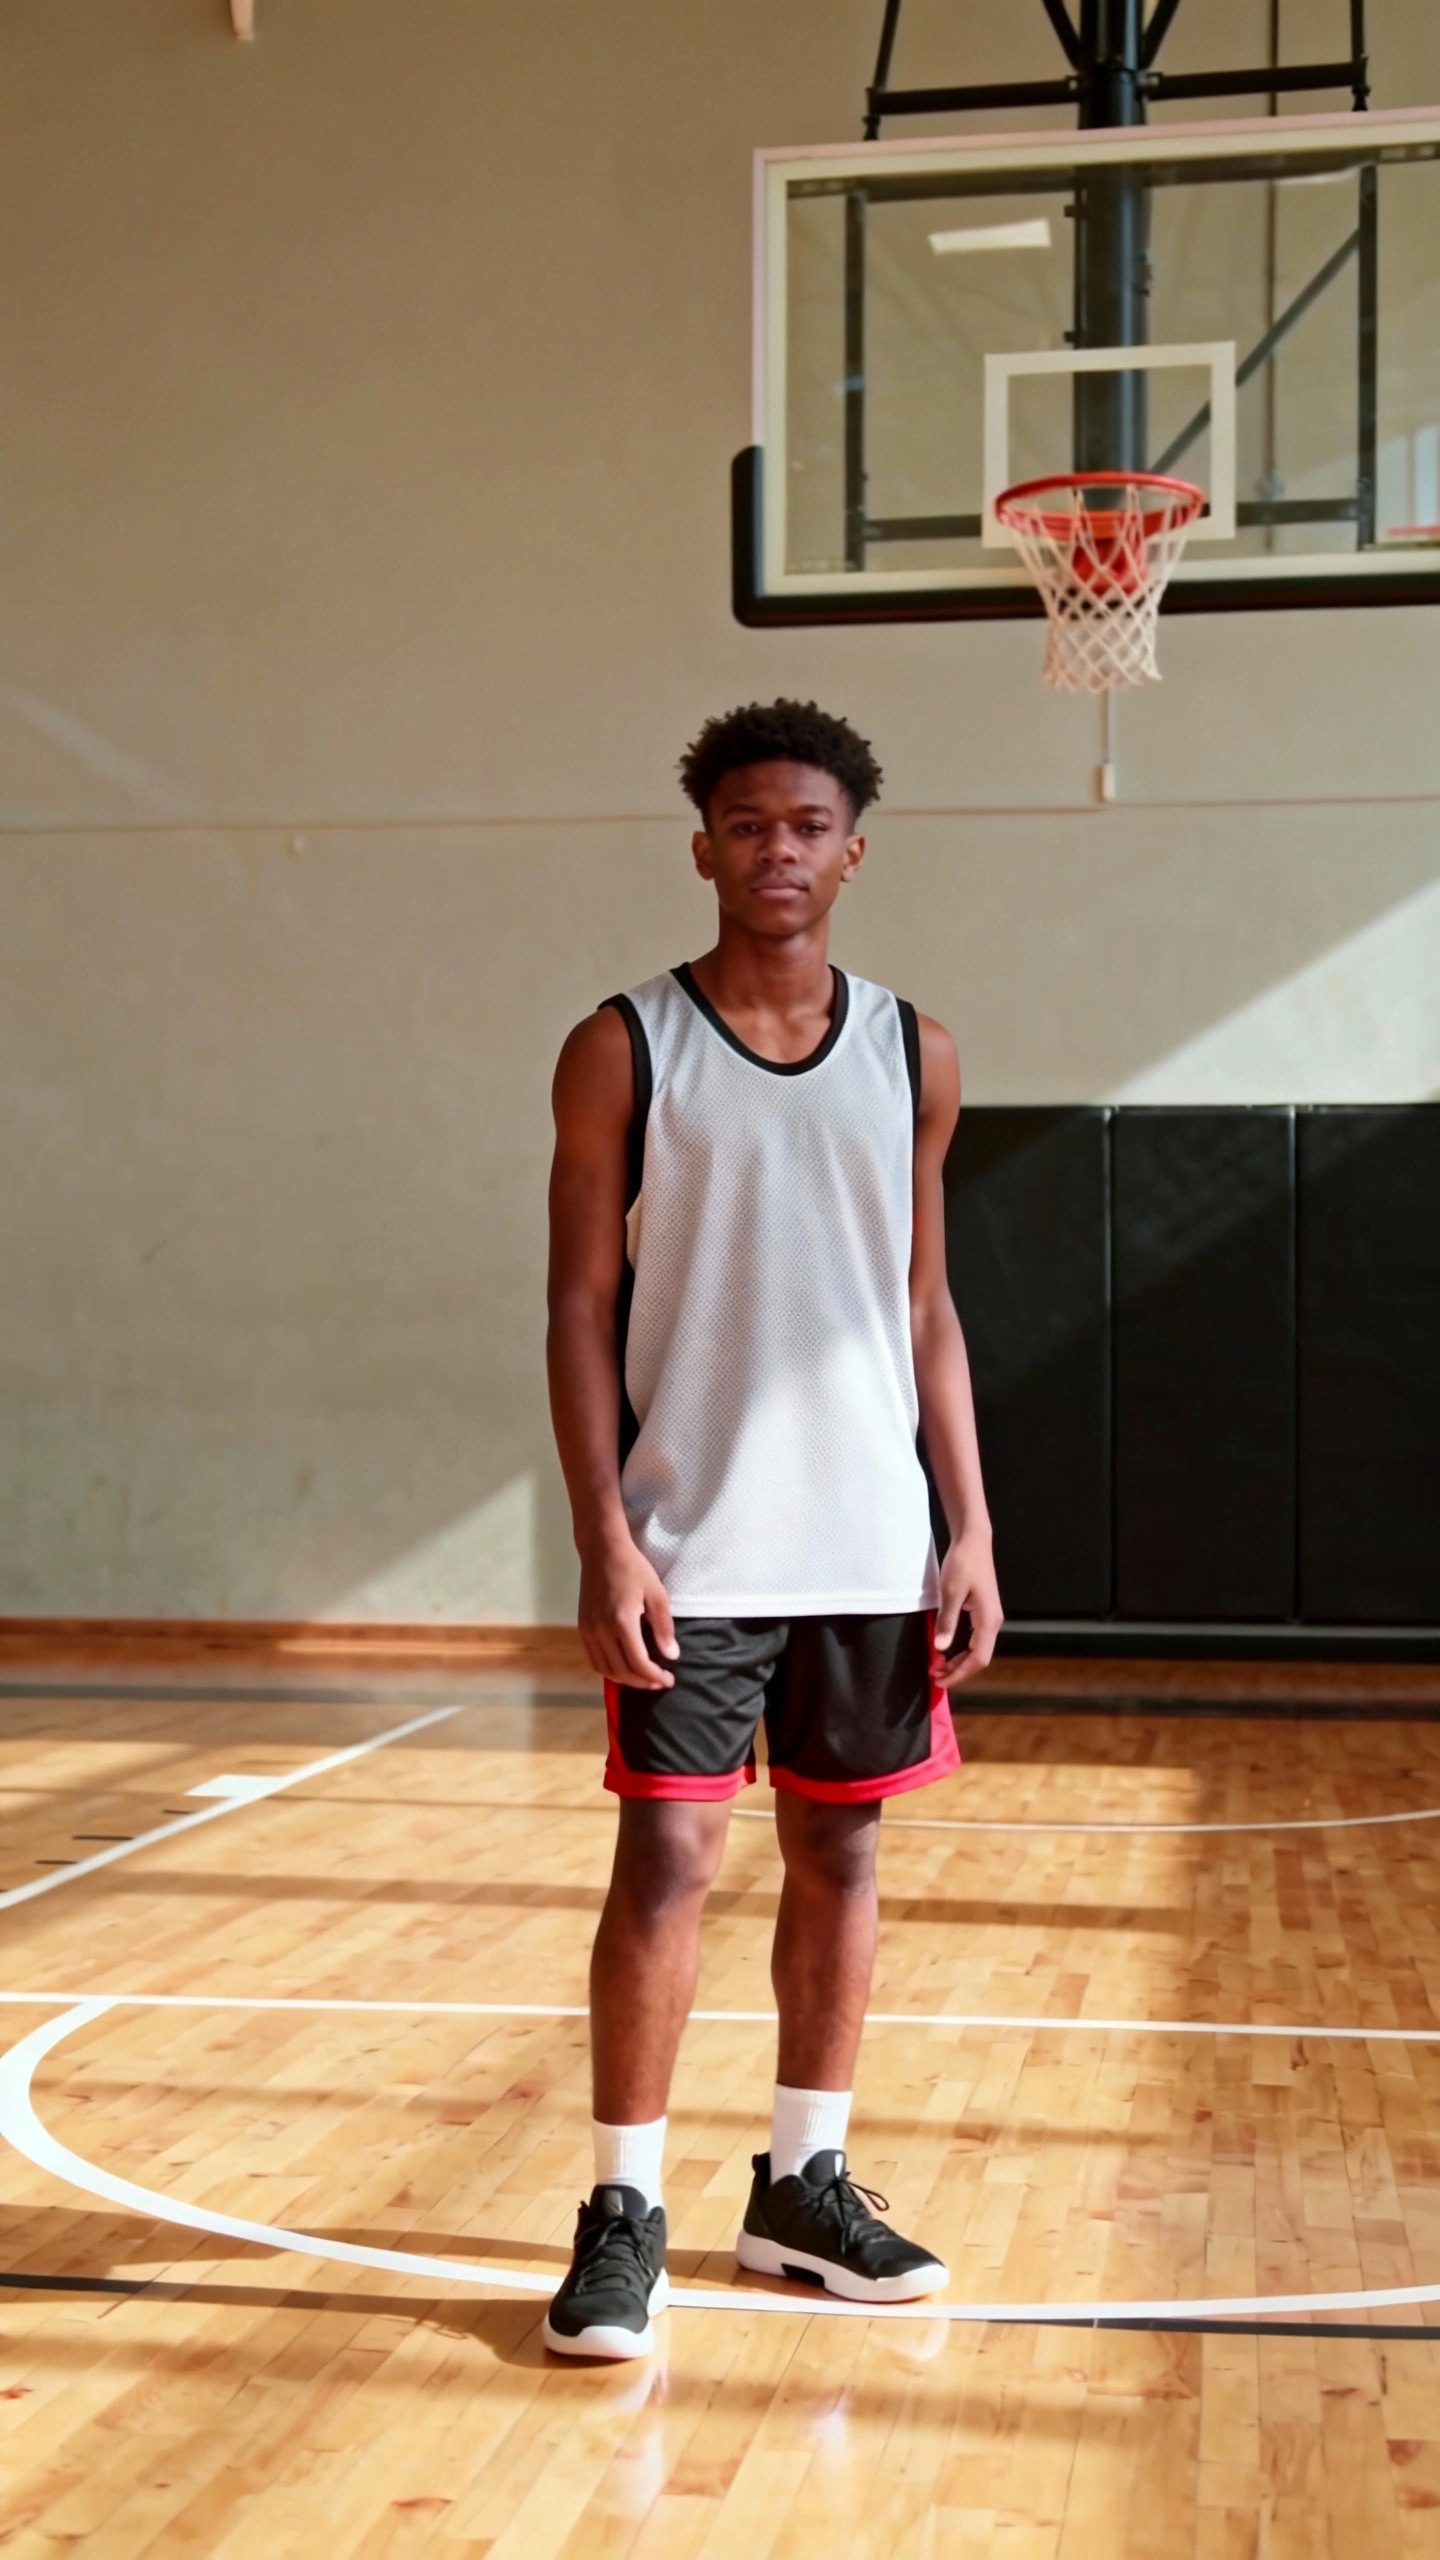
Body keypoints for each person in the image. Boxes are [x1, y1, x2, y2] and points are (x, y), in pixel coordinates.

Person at [542, 697, 1002, 2358]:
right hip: (694, 1536)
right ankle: (624, 2210)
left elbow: (924, 1303)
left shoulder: (915, 1050)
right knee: (669, 1859)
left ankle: (802, 2188)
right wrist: (604, 1533)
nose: (778, 851)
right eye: (749, 826)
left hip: (871, 1538)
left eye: (808, 826)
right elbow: (577, 1305)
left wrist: (969, 1523)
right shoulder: (625, 1045)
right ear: (705, 849)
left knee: (842, 1853)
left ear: (852, 852)